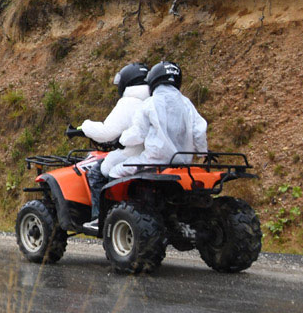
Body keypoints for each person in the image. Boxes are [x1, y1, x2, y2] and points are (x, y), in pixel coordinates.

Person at [76, 63, 150, 222]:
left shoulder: (129, 101)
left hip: (131, 155)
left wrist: (86, 126)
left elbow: (106, 133)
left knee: (95, 173)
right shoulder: (153, 100)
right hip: (153, 156)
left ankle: (100, 218)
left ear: (128, 82)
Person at [114, 61, 208, 177]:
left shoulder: (150, 103)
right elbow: (199, 131)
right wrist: (202, 152)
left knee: (114, 171)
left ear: (153, 79)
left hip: (153, 163)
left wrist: (121, 140)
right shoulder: (187, 103)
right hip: (183, 166)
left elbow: (138, 133)